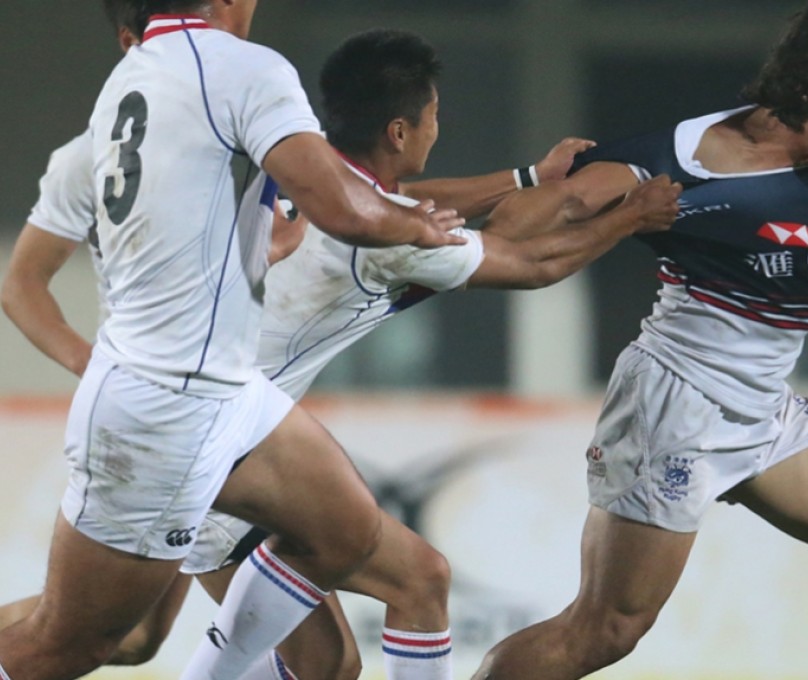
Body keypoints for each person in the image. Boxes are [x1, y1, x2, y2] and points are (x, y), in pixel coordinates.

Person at [0, 13, 680, 680]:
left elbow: (394, 197)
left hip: (238, 407)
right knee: (92, 641)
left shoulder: (268, 155)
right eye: (435, 116)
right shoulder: (285, 131)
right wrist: (631, 218)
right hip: (198, 424)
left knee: (320, 613)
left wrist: (524, 178)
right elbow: (527, 262)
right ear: (400, 128)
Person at [470, 1, 808, 679]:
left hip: (766, 411)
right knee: (606, 629)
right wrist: (532, 204)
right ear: (802, 85)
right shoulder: (683, 156)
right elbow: (527, 223)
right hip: (675, 403)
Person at [0, 0, 471, 676]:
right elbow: (343, 202)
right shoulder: (240, 70)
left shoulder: (131, 100)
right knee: (80, 643)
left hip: (224, 394)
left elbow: (199, 228)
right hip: (170, 400)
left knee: (382, 559)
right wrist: (415, 226)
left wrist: (250, 253)